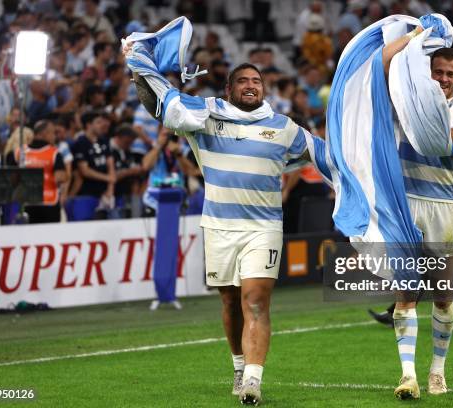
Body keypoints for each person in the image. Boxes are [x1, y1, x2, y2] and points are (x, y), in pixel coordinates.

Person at [127, 52, 315, 404]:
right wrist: (140, 69)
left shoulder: (283, 128)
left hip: (265, 228)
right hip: (219, 227)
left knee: (255, 301)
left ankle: (253, 383)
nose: (250, 86)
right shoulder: (206, 117)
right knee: (230, 302)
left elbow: (326, 155)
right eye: (243, 81)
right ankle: (240, 366)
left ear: (264, 89)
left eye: (256, 81)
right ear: (229, 89)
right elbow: (160, 106)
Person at [380, 34, 453, 399]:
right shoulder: (406, 102)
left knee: (443, 296)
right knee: (406, 295)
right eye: (437, 71)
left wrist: (434, 122)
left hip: (442, 208)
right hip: (406, 203)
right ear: (428, 72)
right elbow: (382, 64)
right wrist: (412, 37)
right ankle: (408, 375)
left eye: (450, 74)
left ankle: (437, 371)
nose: (442, 79)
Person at [15, 120, 67, 223]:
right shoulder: (54, 153)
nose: (54, 137)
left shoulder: (19, 152)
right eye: (53, 133)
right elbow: (60, 178)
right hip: (49, 204)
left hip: (27, 203)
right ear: (44, 133)